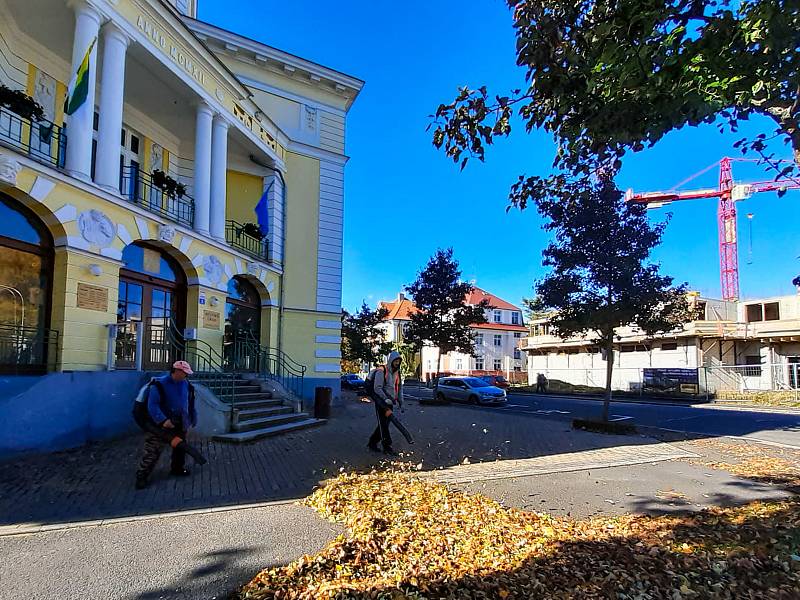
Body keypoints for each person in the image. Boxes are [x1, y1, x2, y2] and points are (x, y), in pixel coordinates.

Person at [136, 360, 198, 489]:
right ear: (177, 371)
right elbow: (152, 405)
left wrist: (192, 418)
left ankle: (177, 469)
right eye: (184, 373)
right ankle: (142, 475)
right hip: (161, 426)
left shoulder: (186, 384)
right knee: (153, 450)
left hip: (180, 423)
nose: (186, 375)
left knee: (180, 448)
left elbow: (189, 402)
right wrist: (163, 420)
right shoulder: (159, 385)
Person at [367, 351, 403, 455]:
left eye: (398, 361)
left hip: (390, 402)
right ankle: (387, 447)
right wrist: (385, 398)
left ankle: (372, 442)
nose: (397, 363)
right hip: (381, 402)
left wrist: (401, 401)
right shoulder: (382, 371)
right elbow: (377, 388)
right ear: (391, 360)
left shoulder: (397, 372)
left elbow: (399, 388)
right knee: (383, 424)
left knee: (385, 424)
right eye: (395, 361)